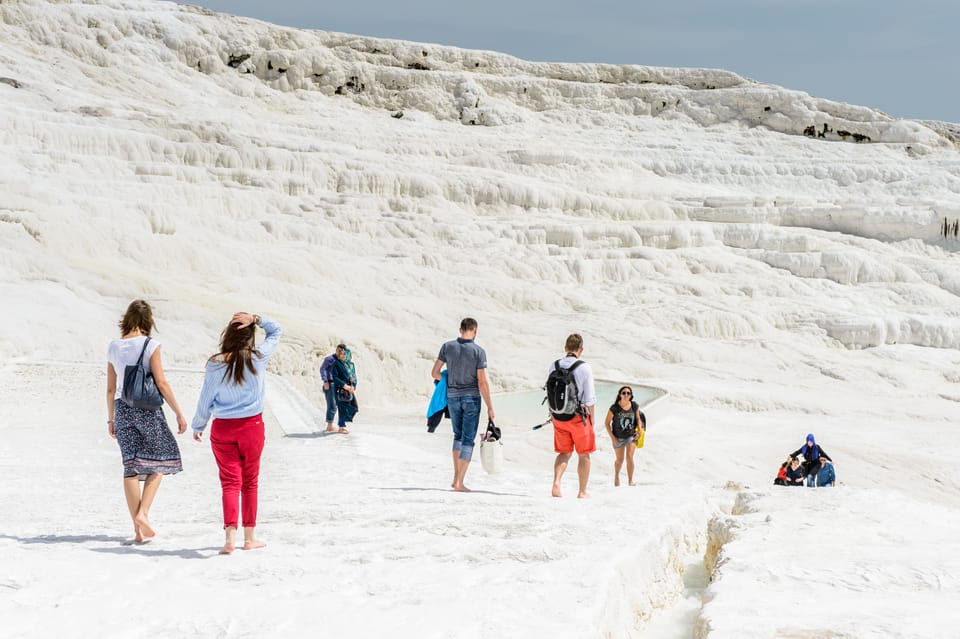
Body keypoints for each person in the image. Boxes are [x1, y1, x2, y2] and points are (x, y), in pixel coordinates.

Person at [192, 312, 282, 555]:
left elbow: (205, 397)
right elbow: (277, 331)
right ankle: (249, 538)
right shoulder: (257, 358)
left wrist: (198, 425)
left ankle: (229, 538)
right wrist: (257, 318)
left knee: (230, 482)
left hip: (222, 428)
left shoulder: (215, 362)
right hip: (252, 427)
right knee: (250, 481)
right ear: (250, 337)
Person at [106, 300, 188, 544]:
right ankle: (143, 513)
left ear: (127, 318)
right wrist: (178, 412)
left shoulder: (113, 346)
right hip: (148, 410)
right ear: (148, 320)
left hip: (122, 409)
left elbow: (111, 389)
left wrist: (111, 419)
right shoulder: (151, 345)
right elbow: (161, 383)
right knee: (161, 460)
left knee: (130, 468)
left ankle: (138, 532)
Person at [431, 317, 495, 492]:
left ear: (460, 329)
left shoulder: (447, 347)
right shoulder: (478, 351)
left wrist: (448, 378)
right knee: (467, 440)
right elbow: (482, 381)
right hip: (471, 399)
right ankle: (459, 482)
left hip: (452, 398)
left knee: (457, 436)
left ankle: (455, 478)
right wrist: (490, 406)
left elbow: (435, 373)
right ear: (475, 331)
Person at [548, 333, 596, 498]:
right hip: (578, 418)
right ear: (580, 349)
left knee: (564, 452)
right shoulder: (584, 367)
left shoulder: (553, 365)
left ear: (565, 348)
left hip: (558, 417)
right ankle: (582, 492)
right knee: (584, 455)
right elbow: (590, 399)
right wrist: (592, 419)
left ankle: (556, 483)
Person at [604, 386, 645, 487]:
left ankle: (630, 481)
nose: (626, 395)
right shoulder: (614, 408)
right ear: (620, 394)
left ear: (631, 395)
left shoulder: (634, 405)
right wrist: (613, 438)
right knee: (620, 460)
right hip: (618, 437)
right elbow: (607, 423)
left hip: (631, 436)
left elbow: (638, 419)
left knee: (630, 456)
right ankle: (617, 475)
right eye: (624, 393)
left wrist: (639, 431)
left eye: (628, 393)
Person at [331, 345, 358, 433]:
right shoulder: (336, 363)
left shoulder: (351, 365)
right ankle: (341, 427)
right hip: (340, 389)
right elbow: (335, 377)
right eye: (341, 354)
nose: (343, 355)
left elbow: (354, 377)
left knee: (353, 406)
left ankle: (343, 423)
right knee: (341, 407)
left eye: (345, 354)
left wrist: (353, 386)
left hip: (350, 388)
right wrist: (344, 385)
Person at [320, 344, 345, 432]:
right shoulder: (329, 359)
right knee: (332, 405)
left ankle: (340, 426)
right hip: (330, 385)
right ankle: (329, 426)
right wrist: (325, 381)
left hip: (339, 385)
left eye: (340, 351)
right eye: (337, 350)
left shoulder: (342, 360)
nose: (338, 352)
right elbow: (322, 369)